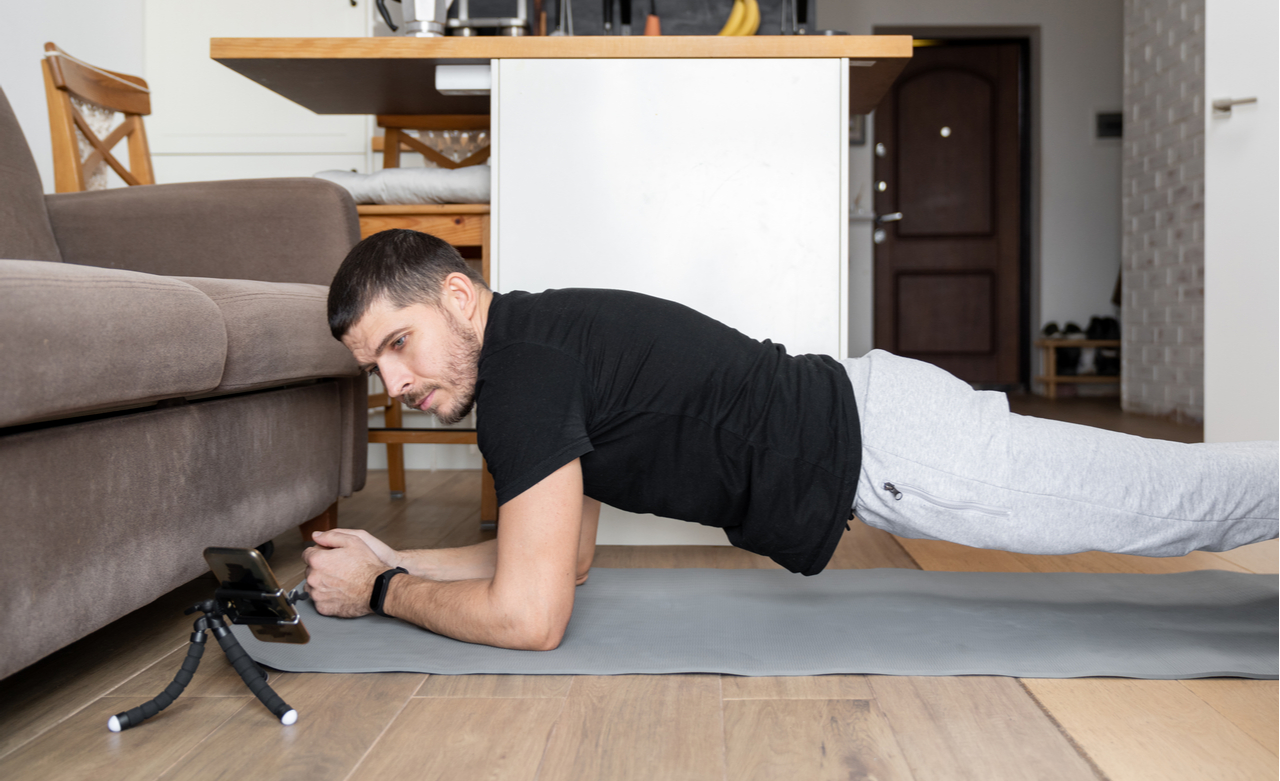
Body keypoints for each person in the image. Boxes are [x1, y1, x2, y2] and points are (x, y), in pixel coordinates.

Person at [302, 230, 1279, 651]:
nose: (392, 384)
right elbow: (564, 556)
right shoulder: (536, 344)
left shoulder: (520, 377)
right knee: (1189, 501)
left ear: (458, 298)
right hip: (887, 427)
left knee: (1192, 505)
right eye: (372, 370)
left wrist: (383, 592)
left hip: (902, 451)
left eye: (398, 343)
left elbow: (529, 615)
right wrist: (391, 551)